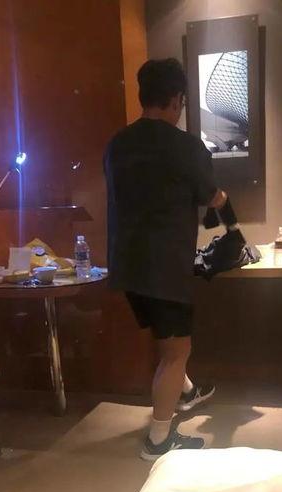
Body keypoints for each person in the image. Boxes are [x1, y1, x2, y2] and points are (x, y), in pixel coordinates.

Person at [103, 58, 227, 461]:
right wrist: (222, 199)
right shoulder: (185, 146)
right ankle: (158, 440)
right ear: (176, 99)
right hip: (165, 269)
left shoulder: (117, 145)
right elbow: (211, 196)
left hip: (127, 266)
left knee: (166, 340)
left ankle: (186, 392)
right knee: (176, 352)